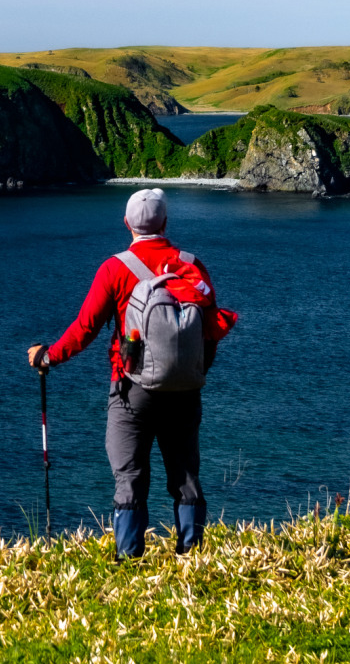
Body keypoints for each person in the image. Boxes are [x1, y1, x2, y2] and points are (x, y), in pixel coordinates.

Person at [27, 188, 236, 558]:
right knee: (185, 476)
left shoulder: (115, 268)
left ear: (127, 223)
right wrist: (196, 372)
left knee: (130, 477)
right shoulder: (191, 264)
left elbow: (85, 328)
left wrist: (49, 357)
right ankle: (191, 556)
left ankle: (128, 560)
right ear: (166, 223)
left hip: (131, 389)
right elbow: (210, 328)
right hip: (185, 389)